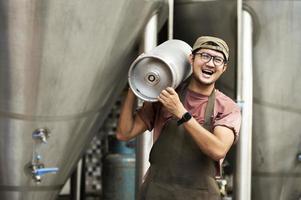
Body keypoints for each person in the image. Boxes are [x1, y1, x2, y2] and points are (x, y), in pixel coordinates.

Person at [116, 36, 241, 200]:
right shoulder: (166, 94)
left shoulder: (227, 107)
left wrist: (181, 113)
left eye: (218, 59)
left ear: (224, 68)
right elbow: (124, 133)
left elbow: (218, 150)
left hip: (200, 196)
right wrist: (135, 82)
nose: (210, 63)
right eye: (204, 56)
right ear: (192, 59)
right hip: (156, 192)